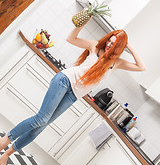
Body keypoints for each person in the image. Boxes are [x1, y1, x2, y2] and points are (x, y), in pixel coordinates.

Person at [0, 22, 146, 165]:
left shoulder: (116, 63)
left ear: (118, 47)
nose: (108, 44)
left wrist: (129, 45)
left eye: (113, 43)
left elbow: (141, 67)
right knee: (41, 119)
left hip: (73, 96)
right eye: (109, 40)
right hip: (64, 81)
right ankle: (5, 140)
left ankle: (7, 154)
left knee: (40, 127)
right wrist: (82, 23)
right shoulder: (95, 46)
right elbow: (71, 39)